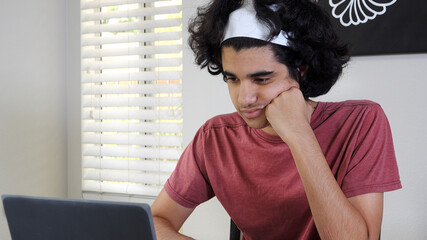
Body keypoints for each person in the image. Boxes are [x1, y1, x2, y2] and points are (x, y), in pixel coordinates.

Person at [151, 0, 402, 239]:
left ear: (301, 69)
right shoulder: (215, 137)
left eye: (262, 79)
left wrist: (298, 134)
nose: (244, 98)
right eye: (233, 79)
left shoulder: (361, 122)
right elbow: (157, 220)